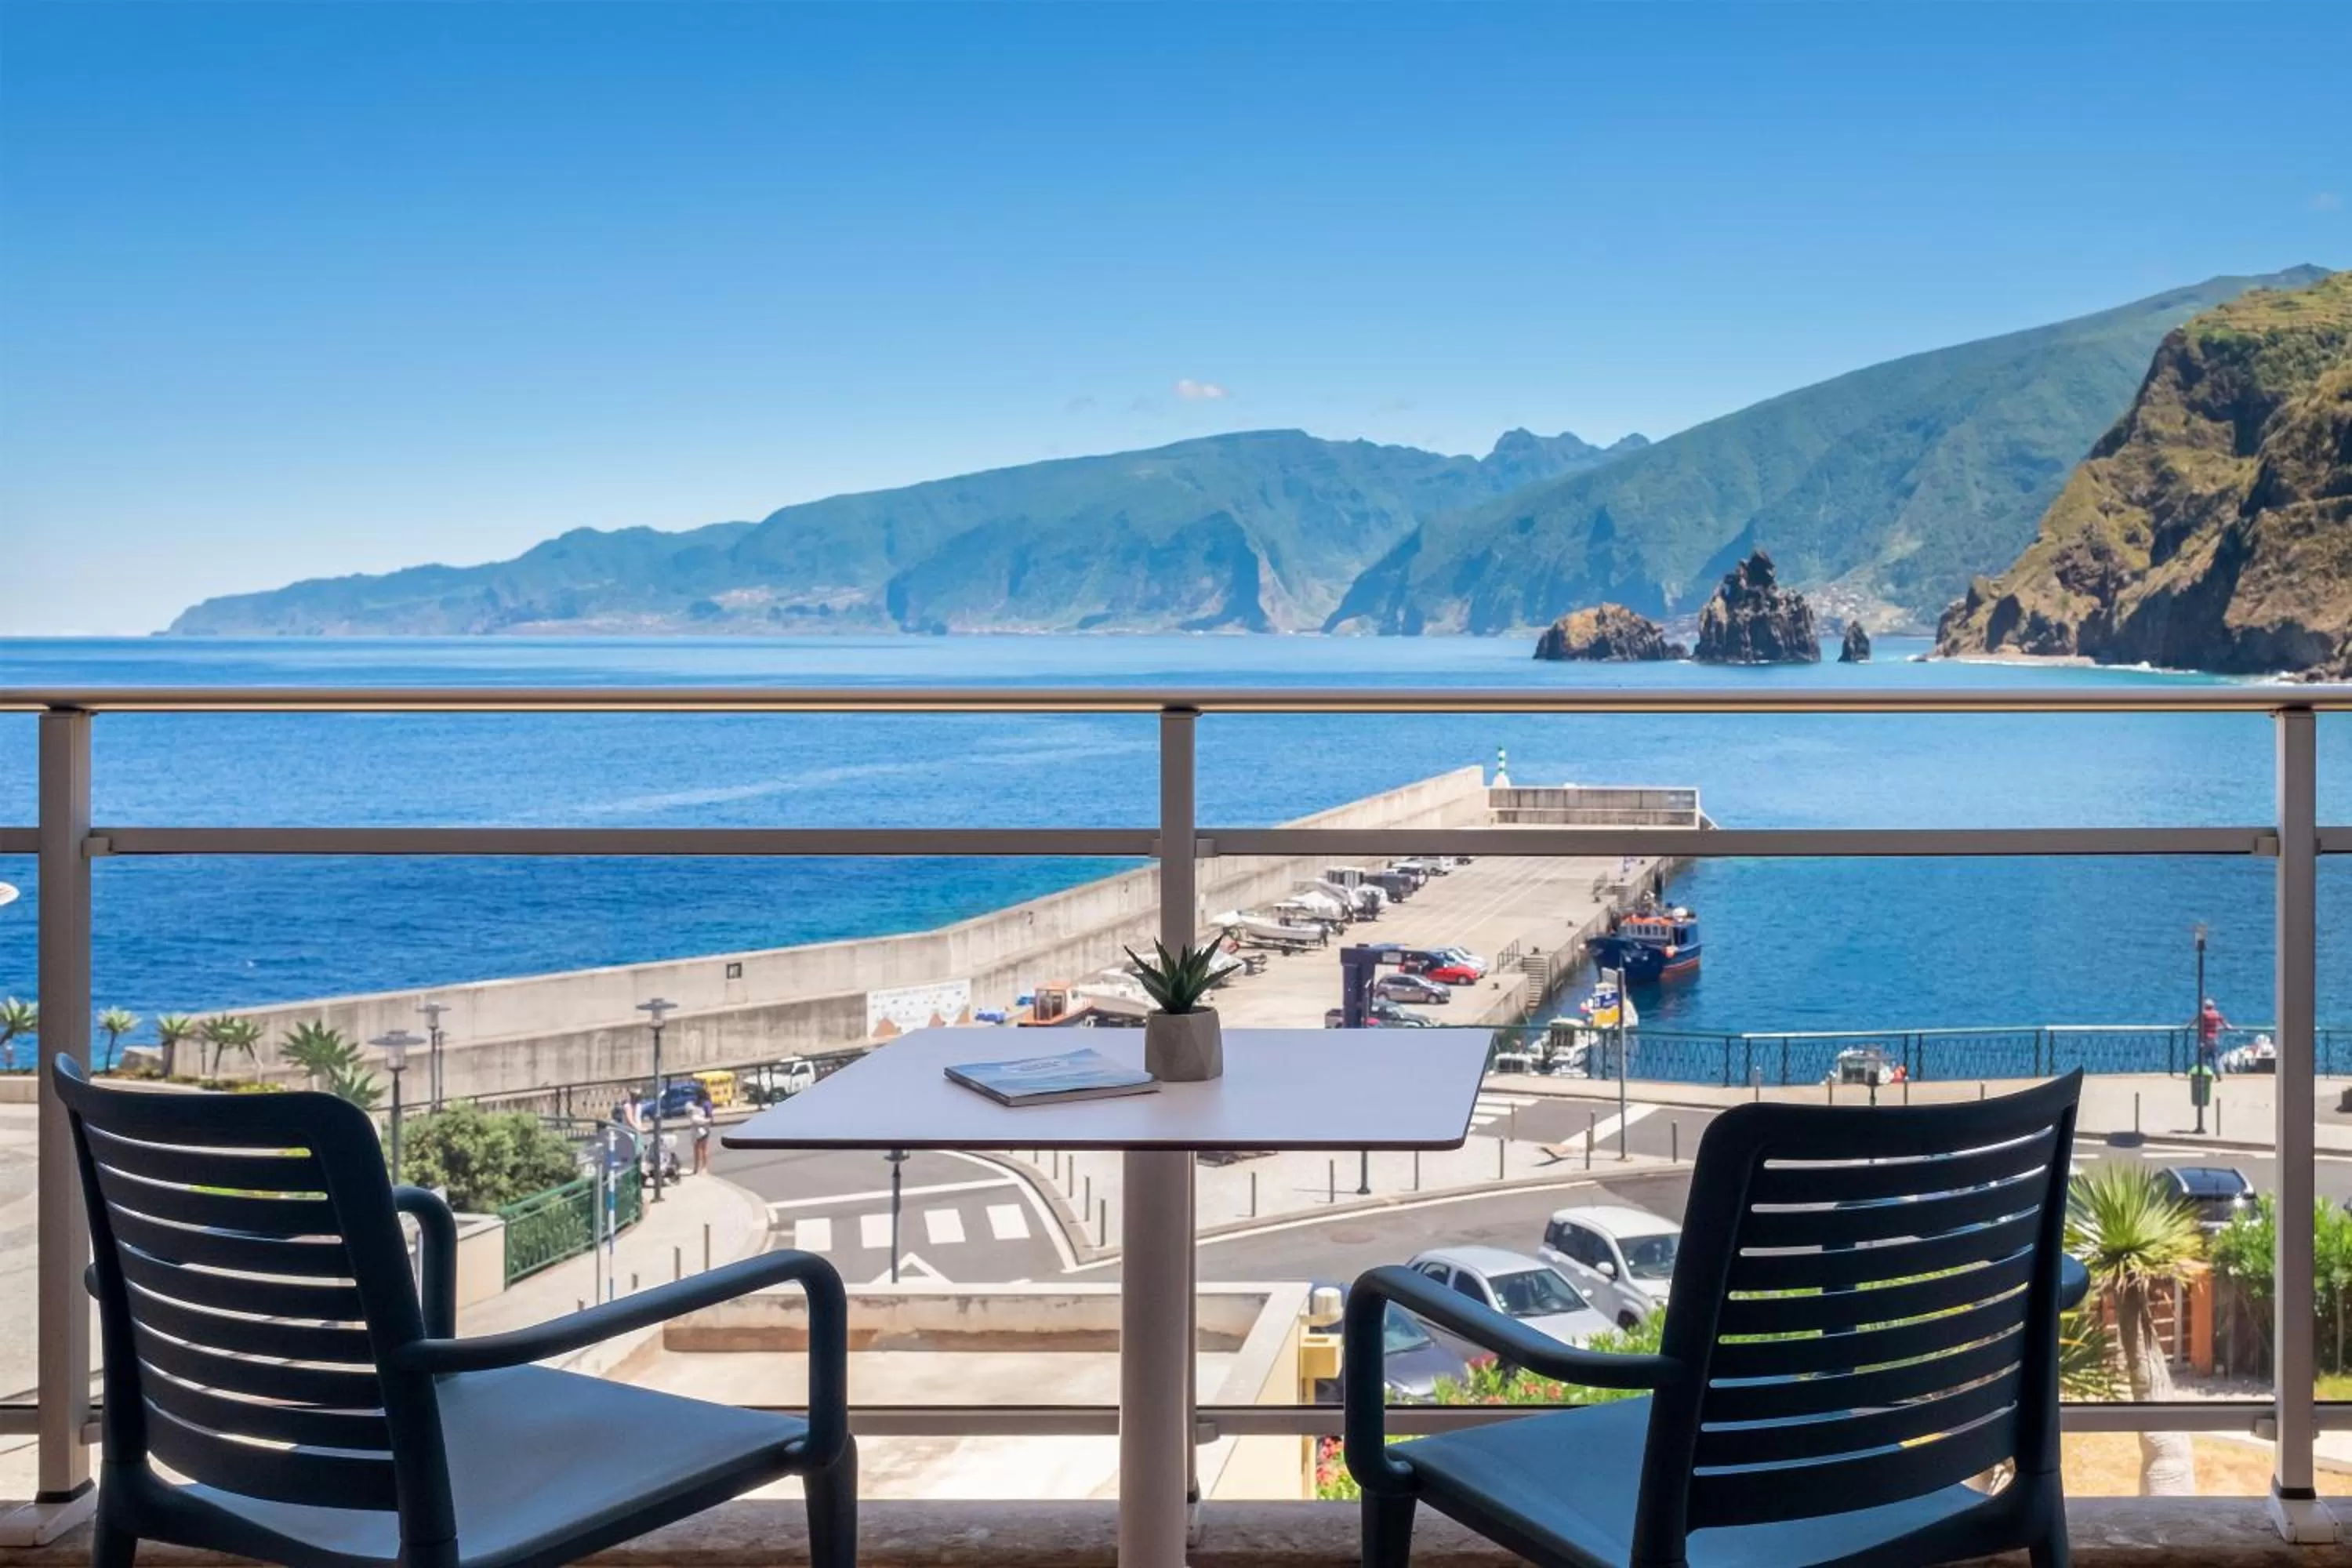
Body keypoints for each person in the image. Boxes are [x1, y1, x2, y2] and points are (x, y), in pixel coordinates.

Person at [2197, 997, 2229, 1067]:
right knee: (2215, 1056)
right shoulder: (2216, 1013)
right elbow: (2223, 1022)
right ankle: (2218, 1072)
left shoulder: (2203, 1014)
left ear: (2205, 1006)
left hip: (2205, 1037)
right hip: (2214, 1037)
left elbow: (2195, 1021)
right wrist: (2228, 1027)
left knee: (2204, 1056)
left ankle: (2206, 1071)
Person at [689, 1087, 714, 1174]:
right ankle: (703, 1167)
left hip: (698, 1127)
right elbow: (710, 1115)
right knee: (703, 1148)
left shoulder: (698, 1104)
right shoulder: (707, 1103)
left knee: (698, 1148)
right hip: (704, 1127)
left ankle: (698, 1167)